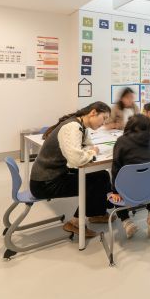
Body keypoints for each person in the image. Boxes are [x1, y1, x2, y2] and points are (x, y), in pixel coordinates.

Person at [30, 102, 113, 238]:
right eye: (104, 118)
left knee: (101, 175)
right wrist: (92, 153)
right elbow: (76, 159)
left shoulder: (81, 126)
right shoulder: (72, 127)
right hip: (45, 183)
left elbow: (87, 146)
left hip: (54, 175)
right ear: (93, 112)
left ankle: (96, 213)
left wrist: (89, 151)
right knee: (95, 182)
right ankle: (75, 223)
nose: (104, 123)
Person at [111, 114, 150, 239]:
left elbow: (115, 168)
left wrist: (115, 191)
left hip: (128, 191)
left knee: (116, 190)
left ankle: (127, 222)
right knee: (147, 179)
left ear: (130, 125)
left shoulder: (121, 141)